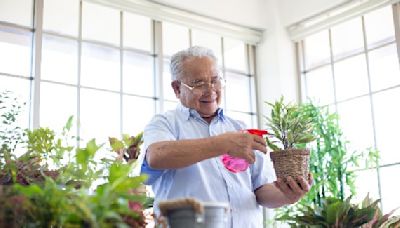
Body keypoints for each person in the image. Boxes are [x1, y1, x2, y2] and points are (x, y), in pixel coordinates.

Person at [138, 46, 312, 227]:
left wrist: (287, 195)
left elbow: (260, 190)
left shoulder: (240, 129)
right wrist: (223, 144)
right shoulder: (164, 123)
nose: (210, 90)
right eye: (199, 83)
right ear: (177, 88)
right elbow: (157, 156)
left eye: (215, 81)